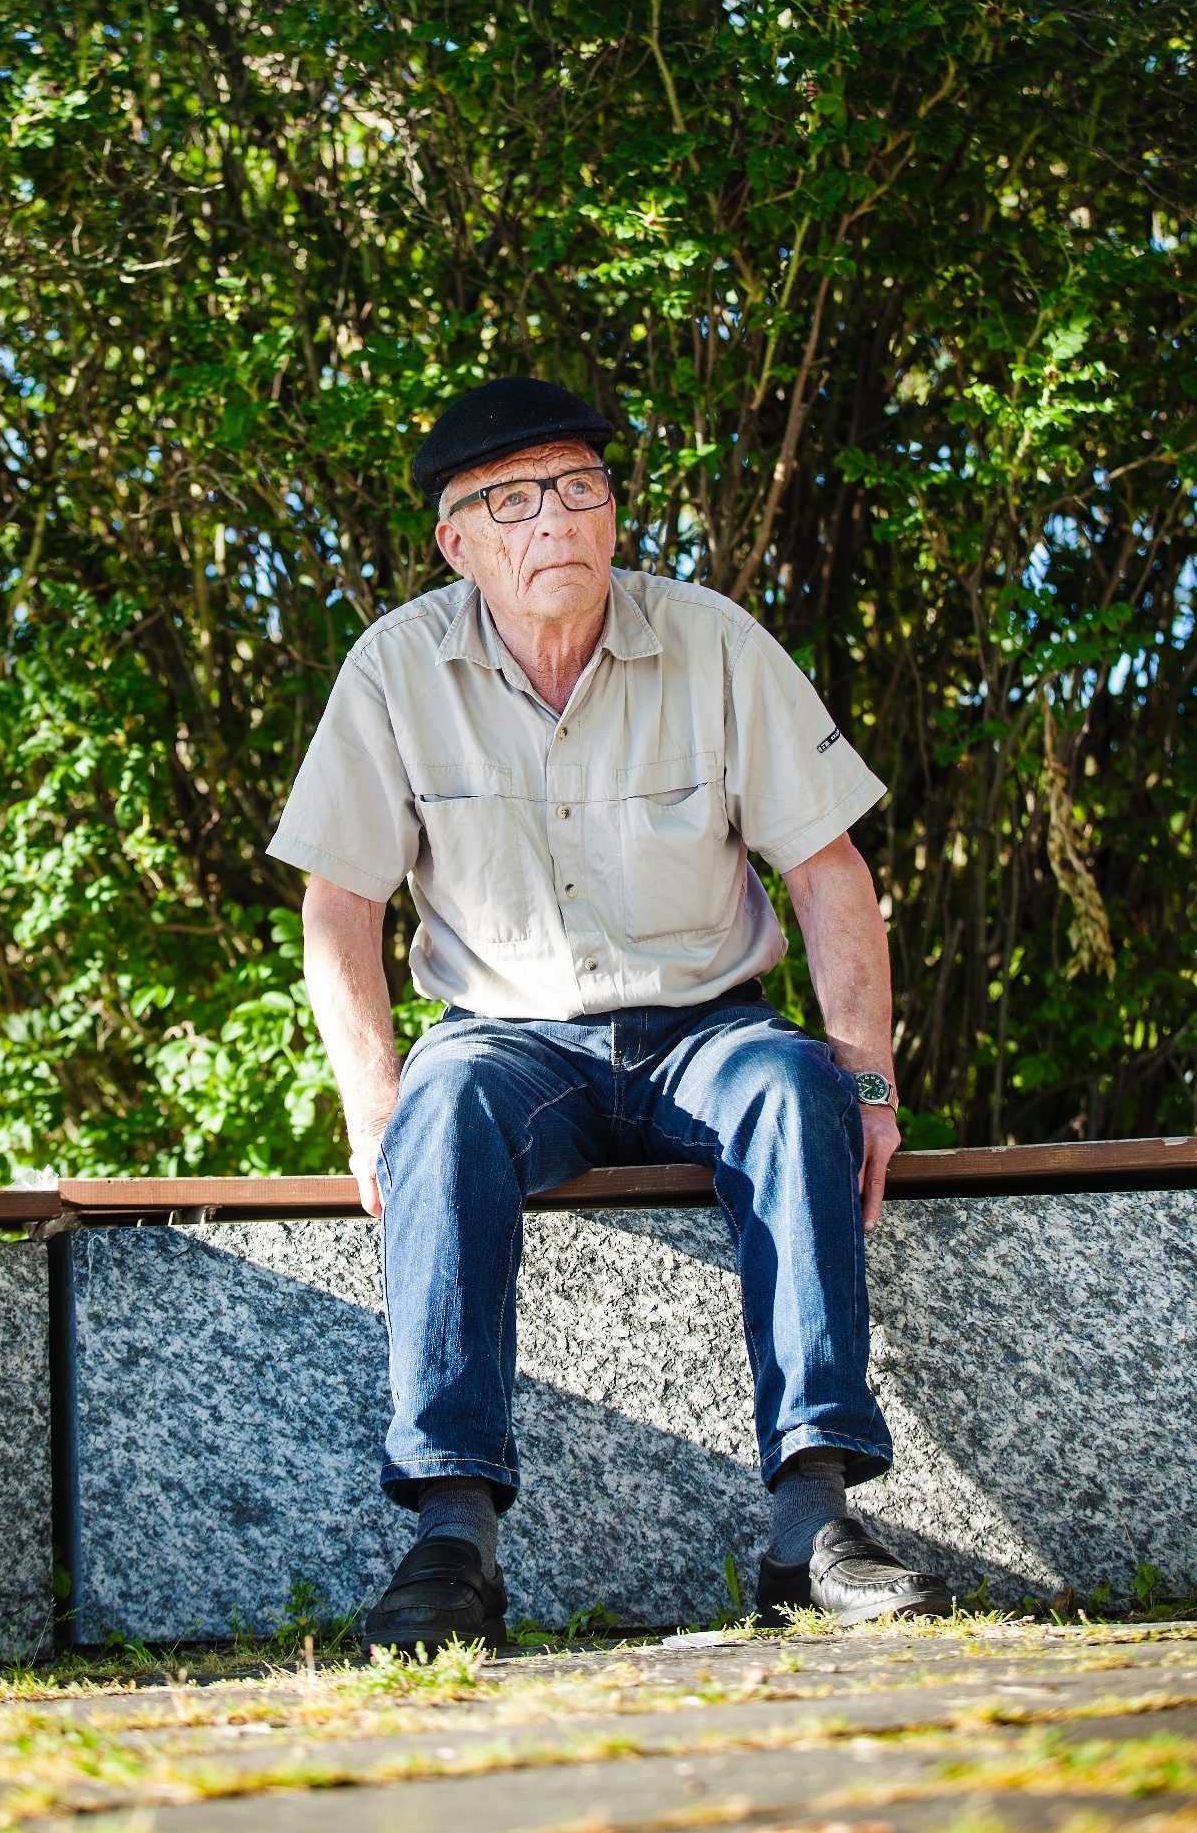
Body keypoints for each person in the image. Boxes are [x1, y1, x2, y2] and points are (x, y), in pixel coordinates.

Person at [267, 375, 951, 1650]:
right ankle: (453, 1538)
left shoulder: (713, 640)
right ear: (455, 541)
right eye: (513, 501)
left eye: (580, 487)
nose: (555, 520)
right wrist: (373, 1107)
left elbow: (828, 872)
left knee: (797, 1090)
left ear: (614, 511)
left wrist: (868, 1075)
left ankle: (812, 1523)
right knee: (439, 1110)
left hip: (707, 1030)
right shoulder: (395, 670)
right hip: (508, 1043)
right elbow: (339, 906)